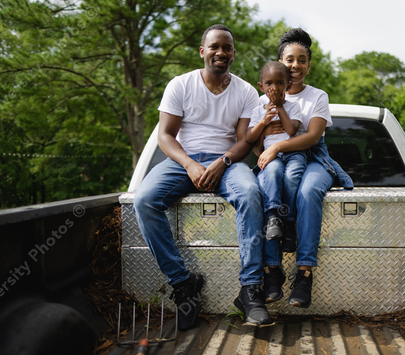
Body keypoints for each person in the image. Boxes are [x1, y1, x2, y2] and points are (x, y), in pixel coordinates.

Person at [133, 24, 272, 331]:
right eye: (214, 47)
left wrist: (222, 162)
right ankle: (184, 283)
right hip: (183, 162)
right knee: (143, 200)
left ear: (233, 54)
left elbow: (244, 141)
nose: (220, 52)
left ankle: (250, 290)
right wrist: (190, 166)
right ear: (202, 51)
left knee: (250, 194)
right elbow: (166, 136)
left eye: (227, 48)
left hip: (227, 163)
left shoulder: (246, 91)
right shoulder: (181, 85)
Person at [257, 28, 354, 308]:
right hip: (276, 159)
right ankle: (272, 271)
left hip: (313, 157)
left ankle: (304, 273)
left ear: (309, 66)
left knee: (309, 190)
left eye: (302, 60)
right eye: (289, 59)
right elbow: (252, 134)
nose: (295, 65)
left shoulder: (317, 96)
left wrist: (275, 147)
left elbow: (311, 137)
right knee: (267, 186)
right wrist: (266, 153)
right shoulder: (264, 98)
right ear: (279, 63)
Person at [246, 61, 305, 251]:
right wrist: (263, 122)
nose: (274, 87)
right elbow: (250, 138)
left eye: (280, 83)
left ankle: (289, 224)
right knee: (273, 172)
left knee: (293, 176)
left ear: (288, 86)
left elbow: (291, 129)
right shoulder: (257, 110)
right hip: (272, 157)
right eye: (269, 83)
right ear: (261, 87)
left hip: (293, 153)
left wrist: (280, 107)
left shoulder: (293, 107)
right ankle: (273, 216)